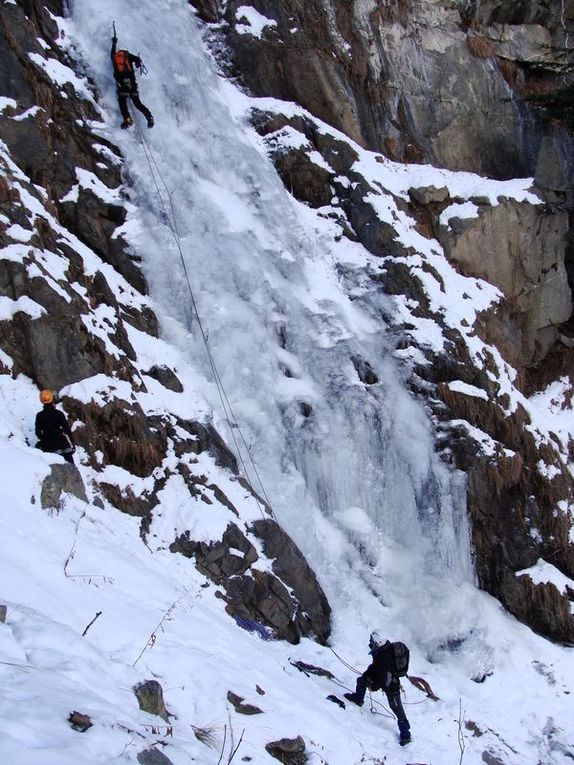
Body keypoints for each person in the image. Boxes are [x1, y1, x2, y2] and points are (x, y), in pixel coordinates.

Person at [344, 630, 412, 746]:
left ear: (377, 642)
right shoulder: (383, 650)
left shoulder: (383, 656)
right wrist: (367, 675)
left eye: (372, 642)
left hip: (391, 685)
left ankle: (405, 734)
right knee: (362, 680)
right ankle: (358, 699)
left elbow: (381, 678)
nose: (370, 643)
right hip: (386, 678)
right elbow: (376, 668)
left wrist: (372, 687)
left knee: (396, 707)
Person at [111, 34, 154, 130]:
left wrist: (114, 43)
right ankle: (149, 117)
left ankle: (128, 119)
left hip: (121, 84)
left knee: (122, 102)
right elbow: (138, 59)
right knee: (137, 103)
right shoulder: (128, 56)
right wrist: (138, 64)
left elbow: (112, 52)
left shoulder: (115, 57)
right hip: (131, 83)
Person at [35, 389, 75, 464]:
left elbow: (38, 433)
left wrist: (44, 441)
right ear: (52, 399)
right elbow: (67, 430)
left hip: (51, 445)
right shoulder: (59, 413)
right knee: (71, 465)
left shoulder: (40, 416)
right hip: (63, 443)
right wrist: (72, 444)